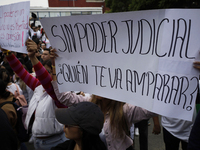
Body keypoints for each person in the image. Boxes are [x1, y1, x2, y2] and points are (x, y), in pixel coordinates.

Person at [45, 48, 157, 150]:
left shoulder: (125, 109)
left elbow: (152, 108)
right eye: (97, 81)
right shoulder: (88, 104)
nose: (98, 87)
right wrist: (55, 66)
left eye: (104, 83)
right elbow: (64, 97)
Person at [1, 42, 68, 150]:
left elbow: (46, 80)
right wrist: (7, 52)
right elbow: (20, 71)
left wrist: (32, 57)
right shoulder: (39, 87)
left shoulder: (61, 94)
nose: (45, 74)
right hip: (37, 141)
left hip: (55, 143)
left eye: (49, 71)